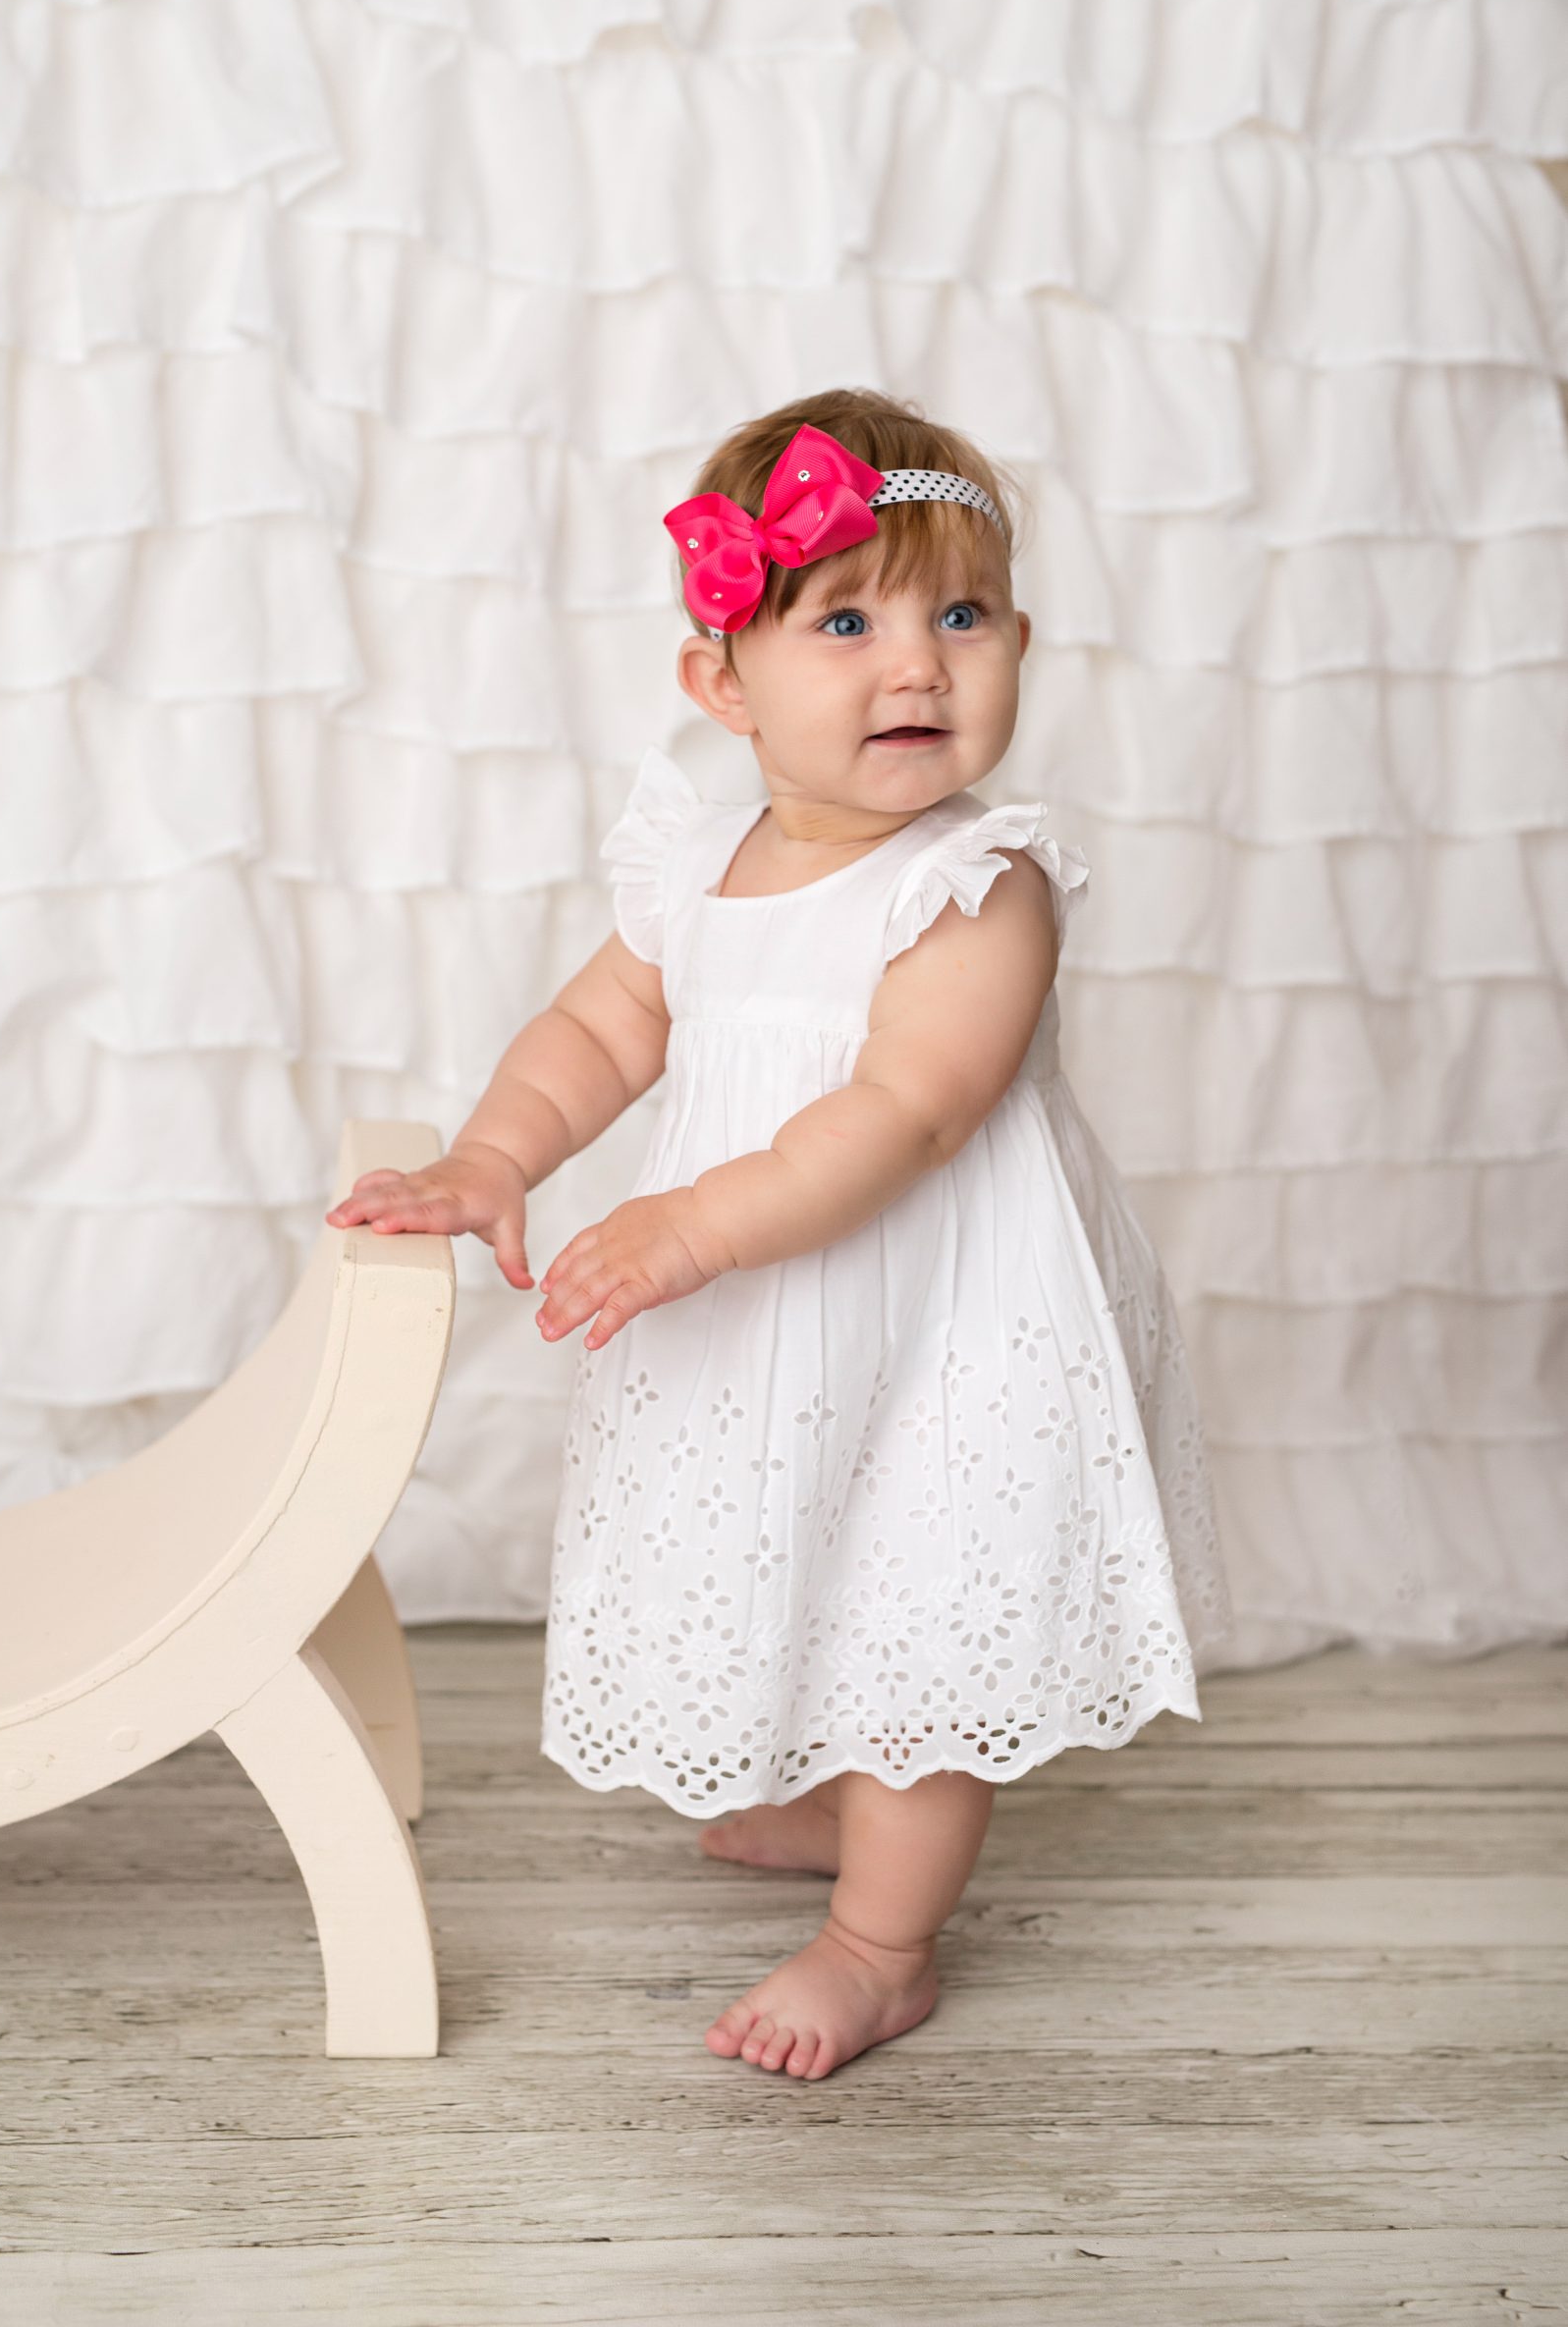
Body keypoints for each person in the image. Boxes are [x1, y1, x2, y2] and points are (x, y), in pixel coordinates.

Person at [327, 387, 1234, 2083]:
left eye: (961, 618)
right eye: (847, 623)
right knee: (803, 1543)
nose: (918, 668)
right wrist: (493, 1157)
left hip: (950, 1325)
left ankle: (882, 1947)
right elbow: (600, 1030)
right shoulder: (701, 865)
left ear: (1022, 646)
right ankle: (835, 1802)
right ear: (722, 682)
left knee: (914, 1600)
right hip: (777, 1319)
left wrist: (690, 1224)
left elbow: (910, 1110)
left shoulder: (976, 884)